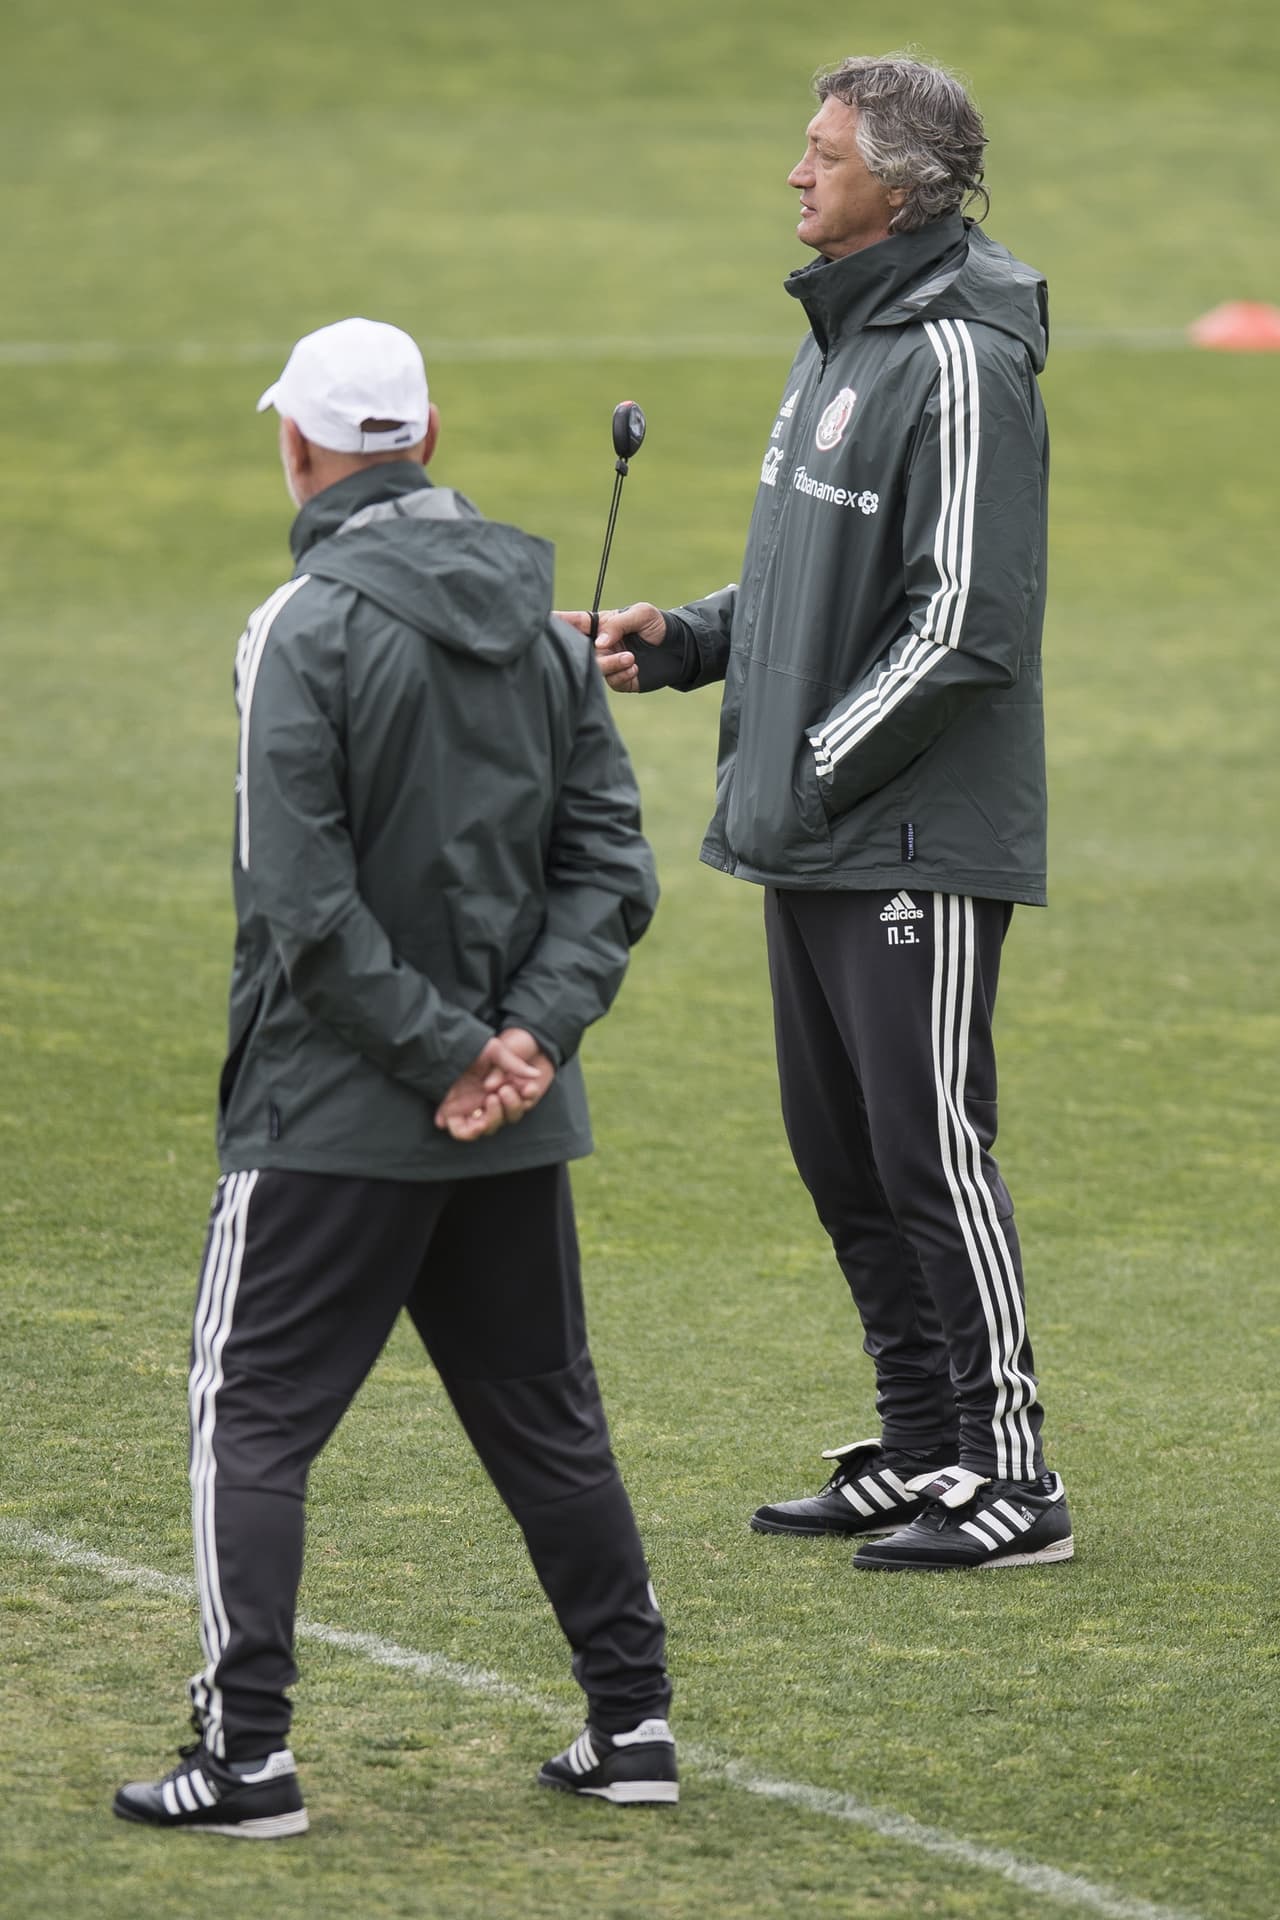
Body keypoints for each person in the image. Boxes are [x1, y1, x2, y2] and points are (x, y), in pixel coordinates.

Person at [113, 317, 678, 1837]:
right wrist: (528, 1046)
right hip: (510, 1122)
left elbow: (300, 906)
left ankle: (248, 1759)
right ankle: (633, 1726)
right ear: (430, 440)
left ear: (299, 451)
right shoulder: (551, 633)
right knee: (545, 1414)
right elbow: (607, 867)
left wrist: (452, 1054)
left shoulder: (298, 625)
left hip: (333, 1116)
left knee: (251, 1415)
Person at [562, 56, 1073, 1573]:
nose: (795, 176)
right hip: (823, 821)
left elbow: (967, 619)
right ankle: (921, 1447)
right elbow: (815, 587)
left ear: (899, 186)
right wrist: (700, 641)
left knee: (931, 1155)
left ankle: (1017, 1474)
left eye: (821, 154)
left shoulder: (965, 357)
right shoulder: (844, 336)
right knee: (839, 1152)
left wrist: (818, 760)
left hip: (910, 835)